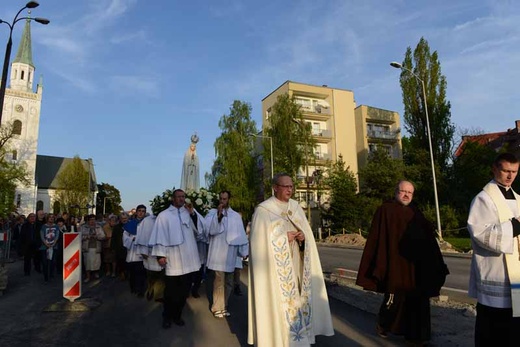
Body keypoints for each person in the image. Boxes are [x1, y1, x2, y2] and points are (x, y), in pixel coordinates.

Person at [356, 180, 448, 345]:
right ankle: (383, 325)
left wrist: (435, 263)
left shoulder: (416, 213)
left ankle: (416, 335)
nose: (406, 195)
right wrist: (381, 263)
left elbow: (429, 240)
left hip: (415, 267)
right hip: (395, 264)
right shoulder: (385, 210)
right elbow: (377, 238)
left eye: (409, 192)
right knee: (393, 299)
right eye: (403, 191)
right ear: (396, 191)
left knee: (418, 300)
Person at [248, 173, 334, 346]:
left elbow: (307, 234)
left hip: (296, 264)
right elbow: (257, 245)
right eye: (285, 186)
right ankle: (277, 339)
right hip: (274, 272)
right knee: (280, 303)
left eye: (291, 186)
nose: (290, 189)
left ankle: (301, 338)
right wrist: (282, 238)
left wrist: (303, 238)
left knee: (299, 298)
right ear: (275, 188)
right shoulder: (264, 210)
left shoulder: (295, 207)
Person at [468, 152, 520, 346]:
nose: (510, 176)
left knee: (515, 327)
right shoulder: (483, 199)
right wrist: (514, 227)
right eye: (506, 170)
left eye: (514, 171)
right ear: (495, 168)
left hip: (517, 275)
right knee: (493, 328)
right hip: (496, 273)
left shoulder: (519, 198)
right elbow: (480, 233)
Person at [148, 189, 205, 329]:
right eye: (178, 197)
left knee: (184, 292)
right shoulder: (164, 216)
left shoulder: (189, 213)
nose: (181, 199)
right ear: (173, 199)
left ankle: (177, 315)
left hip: (189, 260)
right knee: (171, 293)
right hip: (173, 260)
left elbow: (201, 230)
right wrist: (161, 255)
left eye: (183, 197)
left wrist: (192, 214)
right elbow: (159, 235)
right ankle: (167, 317)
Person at [205, 191, 248, 318]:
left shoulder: (235, 216)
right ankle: (216, 307)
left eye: (225, 199)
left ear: (229, 199)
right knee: (219, 281)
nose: (222, 201)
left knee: (229, 282)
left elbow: (241, 235)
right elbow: (210, 230)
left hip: (231, 254)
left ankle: (223, 305)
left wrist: (244, 252)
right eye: (221, 198)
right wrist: (218, 215)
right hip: (218, 253)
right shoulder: (212, 213)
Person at [134, 211, 165, 302]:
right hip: (149, 253)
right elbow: (141, 235)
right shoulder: (147, 221)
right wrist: (143, 252)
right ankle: (150, 290)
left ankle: (158, 295)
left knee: (161, 277)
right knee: (151, 276)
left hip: (161, 252)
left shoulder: (165, 218)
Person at [122, 205, 148, 297]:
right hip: (133, 251)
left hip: (143, 252)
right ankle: (133, 288)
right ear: (136, 212)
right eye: (140, 211)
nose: (141, 213)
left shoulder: (147, 224)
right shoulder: (130, 224)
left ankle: (141, 290)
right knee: (133, 272)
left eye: (143, 211)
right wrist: (132, 239)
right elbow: (125, 238)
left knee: (142, 273)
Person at [80, 214, 105, 282]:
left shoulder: (99, 227)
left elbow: (103, 236)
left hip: (96, 247)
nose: (92, 221)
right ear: (88, 220)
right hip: (87, 247)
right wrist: (87, 237)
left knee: (96, 263)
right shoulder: (83, 227)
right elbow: (79, 237)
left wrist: (97, 236)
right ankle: (88, 276)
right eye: (91, 220)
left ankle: (95, 273)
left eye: (94, 219)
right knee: (87, 263)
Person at [39, 214, 60, 282]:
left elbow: (57, 235)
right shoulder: (43, 226)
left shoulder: (56, 226)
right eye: (50, 217)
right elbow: (42, 235)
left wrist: (53, 243)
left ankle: (51, 274)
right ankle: (46, 276)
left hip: (54, 246)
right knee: (45, 262)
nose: (51, 218)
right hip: (44, 247)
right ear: (47, 218)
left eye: (52, 217)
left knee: (53, 261)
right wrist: (46, 243)